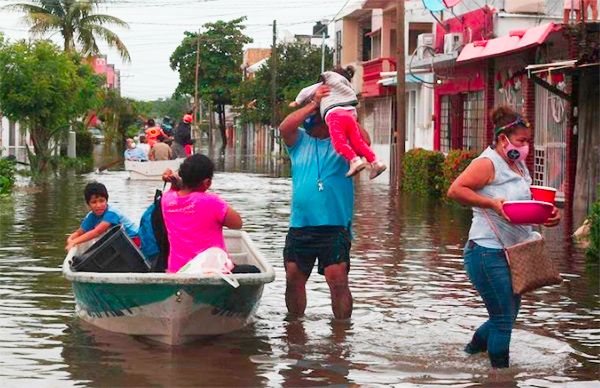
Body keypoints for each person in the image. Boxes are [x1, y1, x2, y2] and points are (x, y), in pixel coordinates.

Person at [447, 105, 561, 369]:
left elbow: (522, 208)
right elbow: (455, 190)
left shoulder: (518, 165)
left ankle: (470, 354)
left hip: (514, 252)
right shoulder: (487, 163)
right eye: (521, 141)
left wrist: (548, 216)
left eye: (527, 142)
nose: (525, 147)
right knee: (503, 319)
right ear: (502, 138)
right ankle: (501, 378)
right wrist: (491, 204)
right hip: (487, 252)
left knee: (505, 317)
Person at [279, 84, 370, 320]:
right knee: (293, 277)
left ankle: (342, 331)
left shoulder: (343, 144)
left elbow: (365, 141)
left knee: (337, 279)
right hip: (301, 225)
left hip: (334, 225)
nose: (314, 129)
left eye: (319, 123)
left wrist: (341, 110)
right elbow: (285, 127)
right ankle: (295, 326)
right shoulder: (300, 141)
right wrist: (314, 104)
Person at [291, 66, 386, 179]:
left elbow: (304, 92)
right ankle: (377, 162)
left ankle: (354, 160)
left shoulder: (325, 86)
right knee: (358, 141)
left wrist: (297, 102)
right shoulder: (348, 89)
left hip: (335, 116)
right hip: (349, 115)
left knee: (339, 143)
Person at [160, 154, 243, 273]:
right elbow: (237, 223)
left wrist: (173, 179)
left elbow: (176, 189)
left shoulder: (167, 199)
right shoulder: (212, 202)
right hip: (212, 271)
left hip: (179, 271)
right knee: (253, 270)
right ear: (207, 182)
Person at [66, 182, 140, 251]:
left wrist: (74, 241)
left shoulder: (112, 213)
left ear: (106, 201)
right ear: (88, 204)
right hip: (120, 242)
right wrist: (70, 239)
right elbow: (80, 232)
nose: (98, 205)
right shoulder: (91, 216)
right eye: (94, 202)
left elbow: (97, 232)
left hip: (135, 239)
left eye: (101, 201)